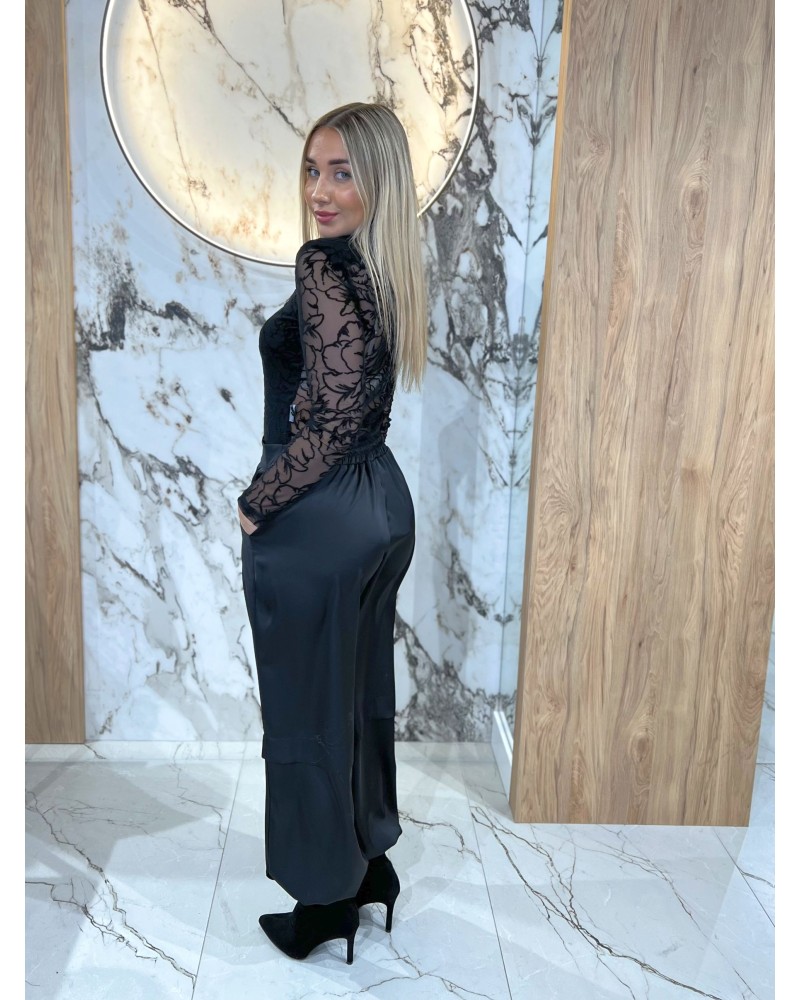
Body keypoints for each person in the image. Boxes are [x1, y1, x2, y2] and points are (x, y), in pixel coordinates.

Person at [237, 102, 428, 965]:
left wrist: (259, 500)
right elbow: (357, 414)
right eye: (313, 169)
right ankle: (368, 861)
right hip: (380, 506)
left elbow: (333, 419)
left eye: (342, 172)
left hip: (319, 513)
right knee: (357, 699)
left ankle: (322, 904)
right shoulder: (384, 267)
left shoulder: (323, 265)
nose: (320, 190)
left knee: (306, 710)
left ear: (378, 181)